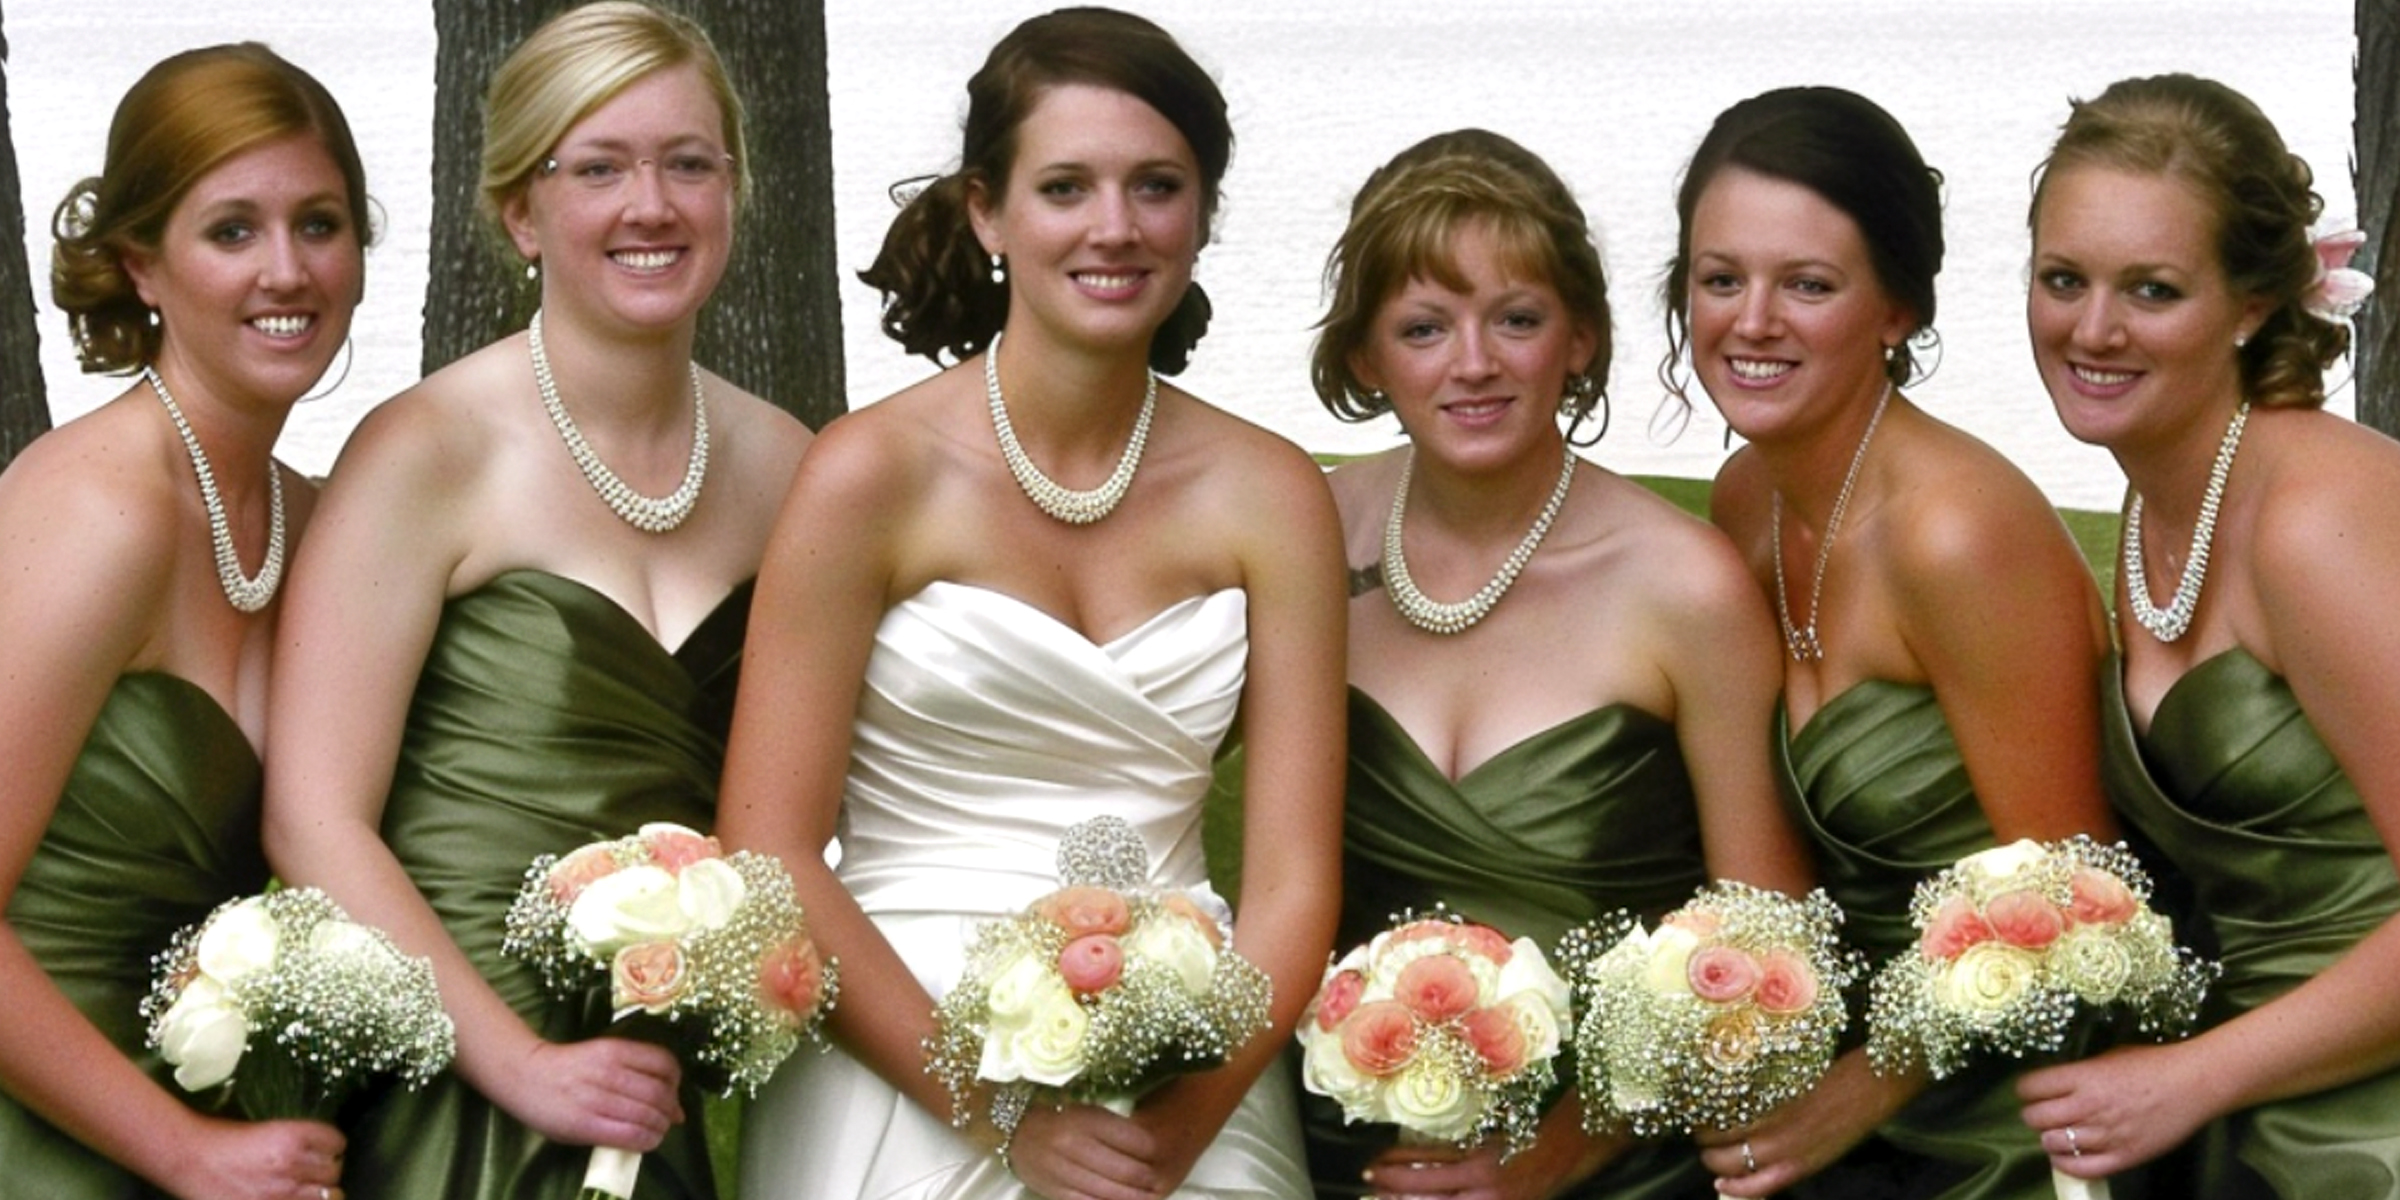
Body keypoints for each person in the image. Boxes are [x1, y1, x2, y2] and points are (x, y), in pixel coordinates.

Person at [720, 8, 1345, 1198]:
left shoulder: (1271, 496)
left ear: (1202, 213)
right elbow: (772, 846)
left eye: (1156, 186)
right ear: (986, 211)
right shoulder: (870, 474)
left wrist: (1180, 1125)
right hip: (905, 1055)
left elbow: (1292, 885)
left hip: (1190, 1055)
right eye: (1067, 186)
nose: (1115, 228)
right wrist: (1001, 1112)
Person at [259, 4, 811, 1198]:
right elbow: (312, 818)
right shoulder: (427, 450)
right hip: (453, 1070)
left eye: (688, 163)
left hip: (643, 1070)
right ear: (521, 209)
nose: (650, 205)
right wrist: (515, 1064)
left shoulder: (786, 468)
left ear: (733, 191)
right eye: (598, 167)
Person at [1302, 127, 1811, 1200]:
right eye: (1424, 327)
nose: (1474, 363)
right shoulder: (1305, 542)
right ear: (1365, 356)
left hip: (1613, 1161)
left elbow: (1773, 949)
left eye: (1517, 320)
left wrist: (1556, 1154)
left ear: (1579, 337)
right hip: (1343, 1154)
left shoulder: (1684, 587)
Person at [1664, 87, 2117, 1200]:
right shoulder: (1743, 501)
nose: (1752, 321)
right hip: (1829, 1088)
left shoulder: (1954, 534)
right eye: (1722, 279)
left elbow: (2083, 891)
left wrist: (1863, 1089)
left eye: (1808, 285)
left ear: (1898, 310)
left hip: (2014, 1112)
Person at [2013, 73, 2400, 1200]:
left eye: (2154, 289)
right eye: (2062, 279)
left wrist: (2186, 1081)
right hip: (2249, 1100)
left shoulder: (2313, 525)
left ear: (2250, 304)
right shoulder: (2165, 493)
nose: (2093, 328)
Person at [0, 42, 360, 1200]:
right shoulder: (99, 511)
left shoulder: (314, 521)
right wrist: (182, 1153)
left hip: (217, 1130)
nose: (288, 271)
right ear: (140, 266)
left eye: (319, 223)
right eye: (232, 232)